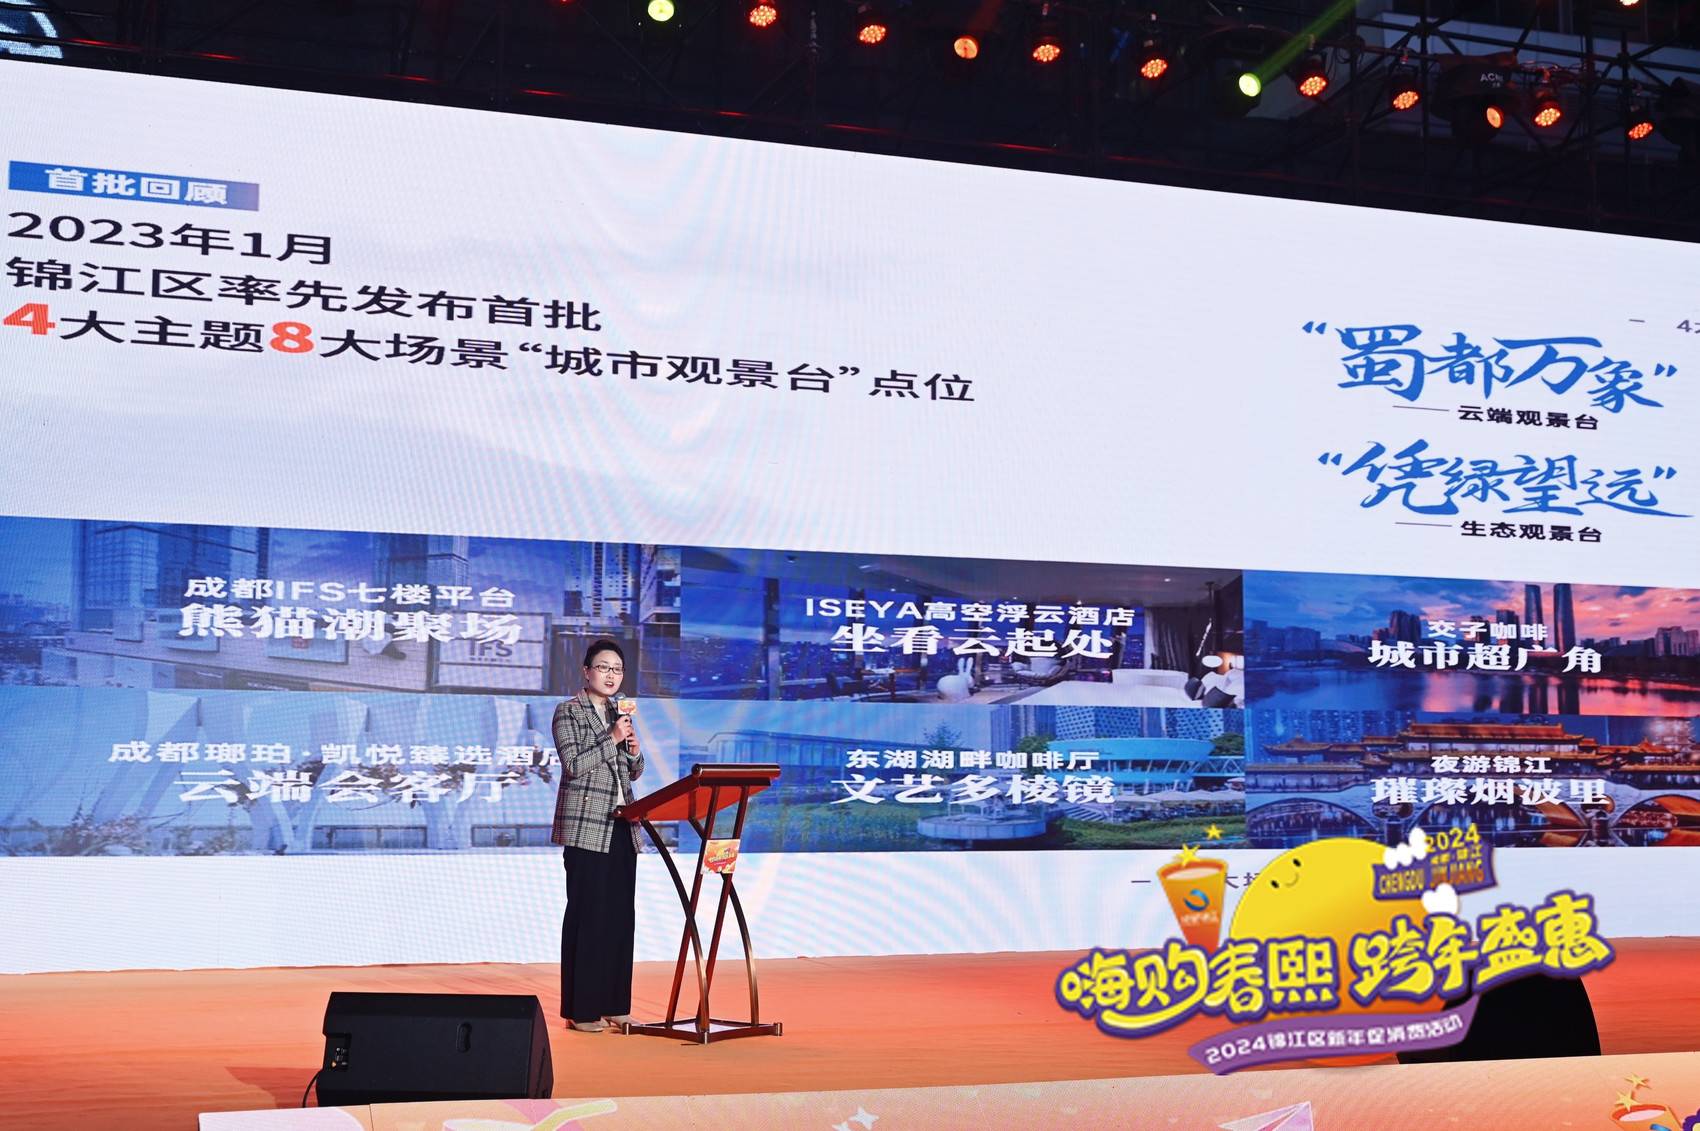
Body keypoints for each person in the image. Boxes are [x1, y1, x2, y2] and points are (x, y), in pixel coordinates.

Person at [552, 639, 645, 1033]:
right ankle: (582, 1009)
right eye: (604, 667)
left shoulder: (619, 713)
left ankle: (615, 1005)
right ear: (586, 671)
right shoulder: (568, 711)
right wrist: (612, 738)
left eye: (617, 669)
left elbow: (633, 772)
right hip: (587, 827)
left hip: (623, 823)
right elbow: (574, 764)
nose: (611, 675)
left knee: (620, 919)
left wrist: (632, 750)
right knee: (587, 917)